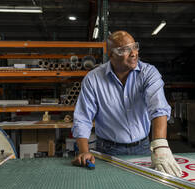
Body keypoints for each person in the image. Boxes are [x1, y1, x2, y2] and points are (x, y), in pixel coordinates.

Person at [71, 30, 182, 177]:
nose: (133, 53)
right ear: (110, 55)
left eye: (135, 47)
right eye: (125, 50)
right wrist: (84, 151)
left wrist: (160, 145)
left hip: (142, 146)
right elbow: (83, 118)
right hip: (108, 150)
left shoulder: (148, 73)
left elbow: (159, 108)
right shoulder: (93, 79)